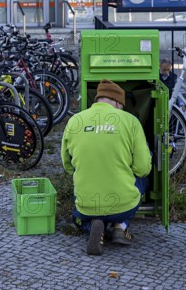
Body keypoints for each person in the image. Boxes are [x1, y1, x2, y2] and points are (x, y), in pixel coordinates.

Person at [61, 79, 152, 256]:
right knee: (144, 180)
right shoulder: (130, 121)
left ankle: (94, 227)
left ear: (98, 100)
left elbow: (67, 165)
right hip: (123, 205)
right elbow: (142, 168)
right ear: (118, 102)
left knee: (78, 217)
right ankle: (121, 225)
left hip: (87, 205)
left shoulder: (74, 121)